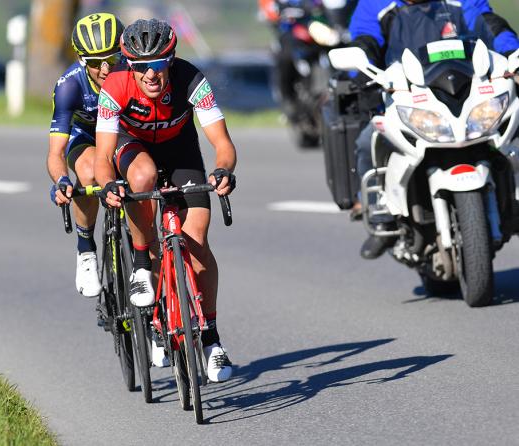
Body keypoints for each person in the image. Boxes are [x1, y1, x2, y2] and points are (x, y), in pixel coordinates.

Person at [94, 19, 237, 383]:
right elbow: (102, 155)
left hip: (179, 150)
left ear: (171, 61)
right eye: (141, 67)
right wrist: (109, 183)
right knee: (140, 178)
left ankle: (211, 340)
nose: (151, 75)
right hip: (134, 145)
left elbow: (222, 143)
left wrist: (222, 172)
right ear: (129, 65)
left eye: (159, 64)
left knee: (196, 242)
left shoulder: (191, 79)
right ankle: (143, 262)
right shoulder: (114, 86)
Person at [347, 0, 519, 259]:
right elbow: (364, 40)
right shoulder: (376, 4)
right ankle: (381, 215)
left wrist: (512, 53)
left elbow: (489, 24)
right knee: (366, 140)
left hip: (465, 87)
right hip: (406, 94)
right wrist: (362, 73)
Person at [47, 13, 124, 296]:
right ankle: (86, 248)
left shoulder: (133, 72)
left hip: (123, 136)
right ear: (82, 60)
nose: (105, 69)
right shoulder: (69, 85)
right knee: (90, 172)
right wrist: (62, 181)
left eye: (113, 59)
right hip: (86, 138)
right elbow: (55, 152)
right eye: (94, 62)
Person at [258, 0, 354, 147]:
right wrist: (278, 11)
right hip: (292, 30)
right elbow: (269, 8)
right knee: (285, 56)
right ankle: (287, 99)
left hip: (319, 27)